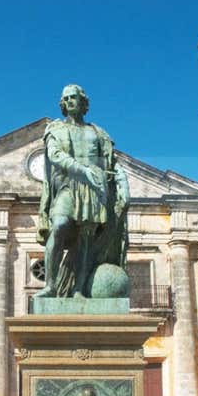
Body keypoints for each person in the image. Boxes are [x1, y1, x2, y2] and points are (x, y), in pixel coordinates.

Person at [35, 84, 129, 298]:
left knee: (86, 241)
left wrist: (123, 185)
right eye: (66, 98)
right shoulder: (54, 129)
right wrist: (83, 170)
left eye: (74, 97)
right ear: (62, 104)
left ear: (83, 102)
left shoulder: (97, 132)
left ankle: (78, 288)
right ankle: (50, 286)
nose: (70, 101)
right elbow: (55, 155)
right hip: (68, 185)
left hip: (94, 189)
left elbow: (112, 162)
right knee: (59, 226)